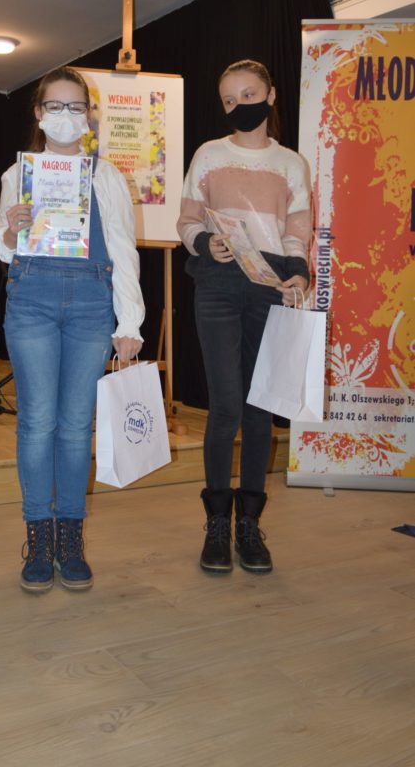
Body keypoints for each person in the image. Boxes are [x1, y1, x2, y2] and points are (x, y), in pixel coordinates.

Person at [0, 67, 145, 593]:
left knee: (77, 425)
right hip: (32, 298)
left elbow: (122, 247)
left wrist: (130, 320)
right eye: (54, 106)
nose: (65, 115)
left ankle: (70, 537)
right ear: (39, 114)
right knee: (37, 422)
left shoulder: (107, 175)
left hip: (90, 303)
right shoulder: (18, 172)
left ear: (89, 114)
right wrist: (10, 229)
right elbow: (3, 249)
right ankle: (39, 535)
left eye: (75, 106)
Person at [177, 59, 311, 575]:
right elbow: (187, 220)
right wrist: (205, 243)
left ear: (271, 96)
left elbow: (297, 231)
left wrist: (297, 273)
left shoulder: (291, 164)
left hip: (269, 287)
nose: (239, 105)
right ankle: (217, 522)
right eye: (230, 99)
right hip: (218, 285)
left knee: (259, 407)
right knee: (226, 405)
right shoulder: (208, 154)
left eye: (249, 94)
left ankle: (249, 525)